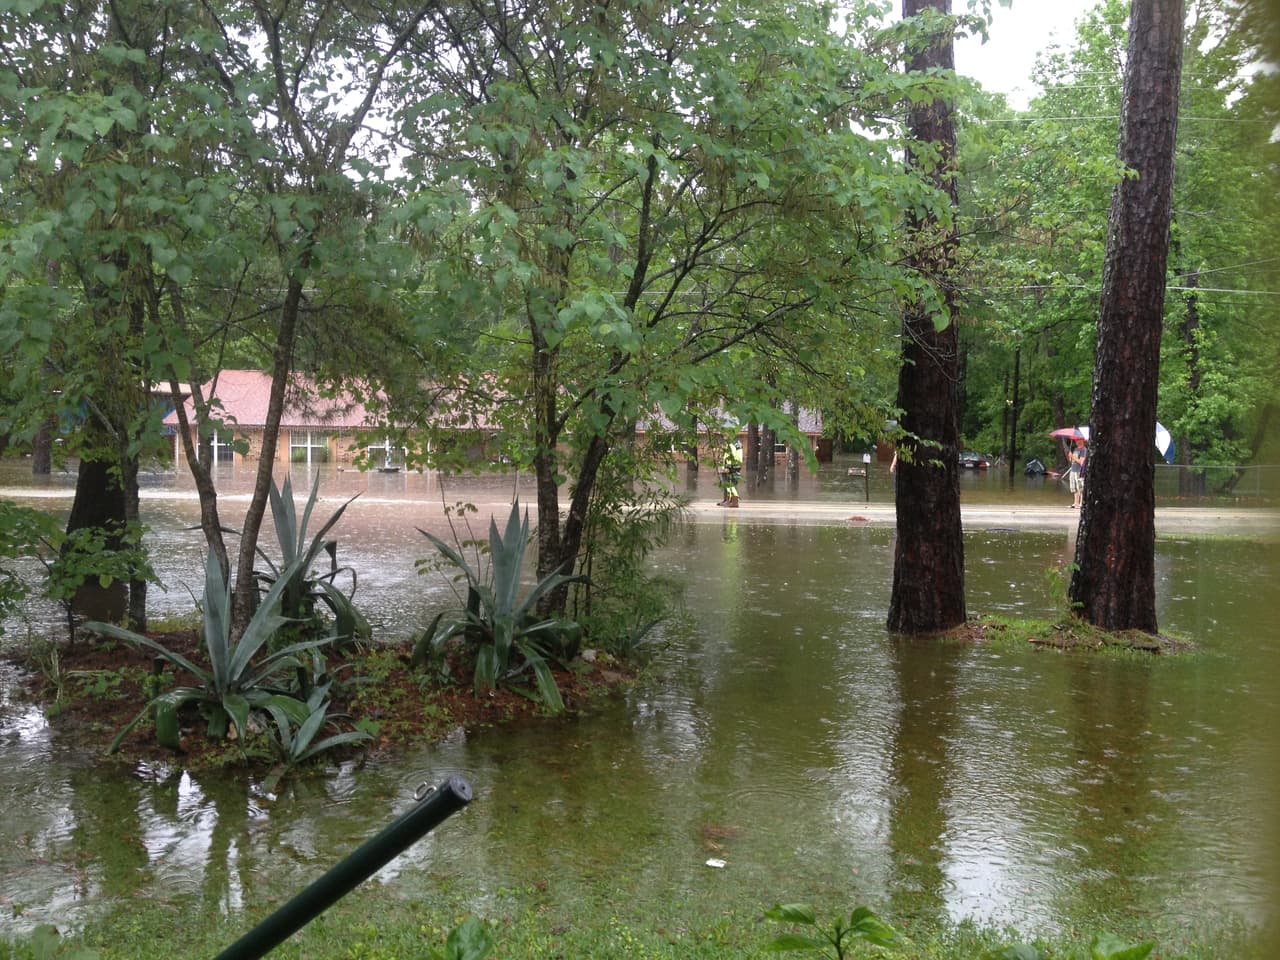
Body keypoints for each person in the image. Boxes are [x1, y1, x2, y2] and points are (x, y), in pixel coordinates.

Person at [718, 437, 743, 507]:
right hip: (732, 465)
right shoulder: (734, 442)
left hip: (732, 466)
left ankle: (734, 501)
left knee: (730, 484)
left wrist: (728, 467)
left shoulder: (732, 443)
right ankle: (727, 500)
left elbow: (732, 456)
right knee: (728, 483)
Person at [1067, 438, 1088, 508]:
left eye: (1078, 440)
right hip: (1073, 470)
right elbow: (1072, 460)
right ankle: (1075, 503)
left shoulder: (1084, 450)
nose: (1076, 441)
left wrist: (1073, 456)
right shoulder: (1076, 449)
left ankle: (1081, 504)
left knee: (1080, 488)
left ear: (1082, 441)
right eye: (1076, 440)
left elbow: (1081, 462)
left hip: (1079, 471)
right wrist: (1070, 457)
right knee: (1074, 488)